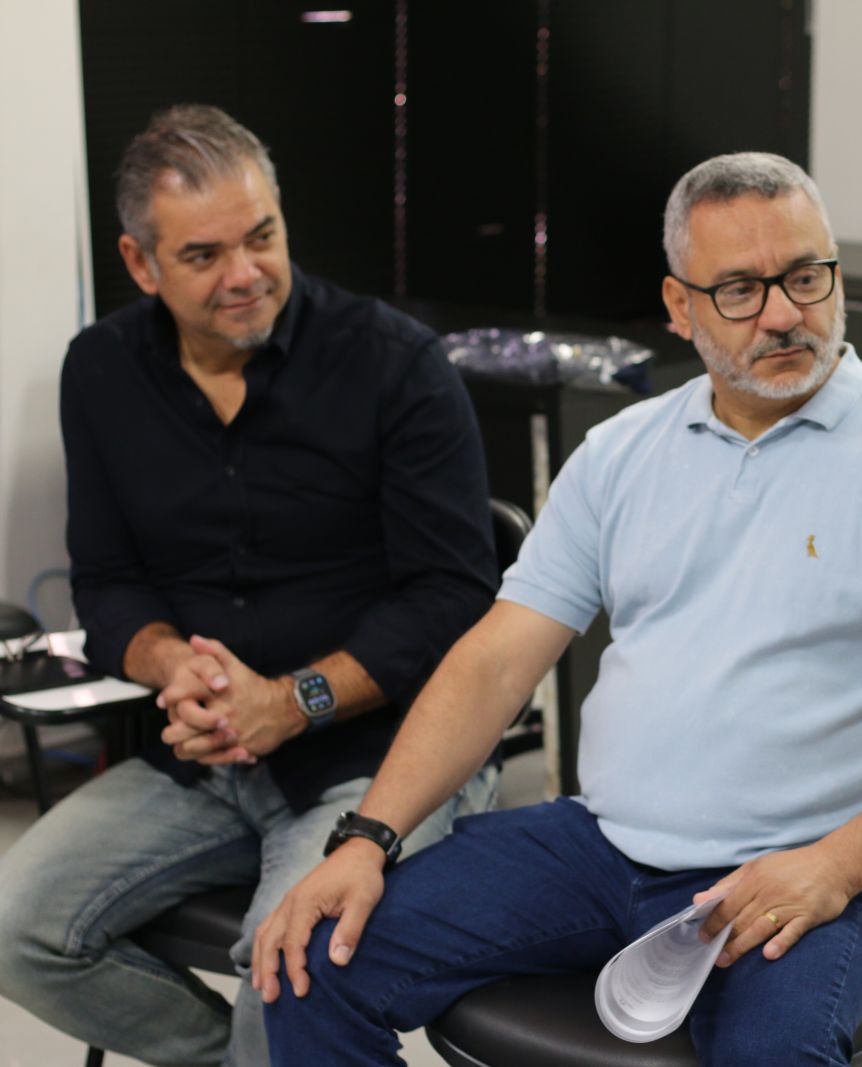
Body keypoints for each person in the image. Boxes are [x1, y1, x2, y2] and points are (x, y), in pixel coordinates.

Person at [250, 151, 862, 1066]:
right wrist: (366, 838)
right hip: (601, 843)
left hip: (804, 865)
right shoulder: (620, 453)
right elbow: (497, 661)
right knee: (311, 960)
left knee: (770, 1054)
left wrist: (837, 865)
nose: (784, 314)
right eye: (740, 290)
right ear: (679, 306)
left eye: (806, 276)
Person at [0, 104, 500, 1067]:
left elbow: (451, 599)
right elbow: (107, 581)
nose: (245, 274)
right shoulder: (100, 370)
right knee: (18, 928)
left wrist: (292, 700)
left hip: (379, 756)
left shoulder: (395, 364)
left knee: (286, 970)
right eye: (203, 255)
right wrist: (169, 666)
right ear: (141, 263)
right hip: (204, 759)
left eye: (261, 236)